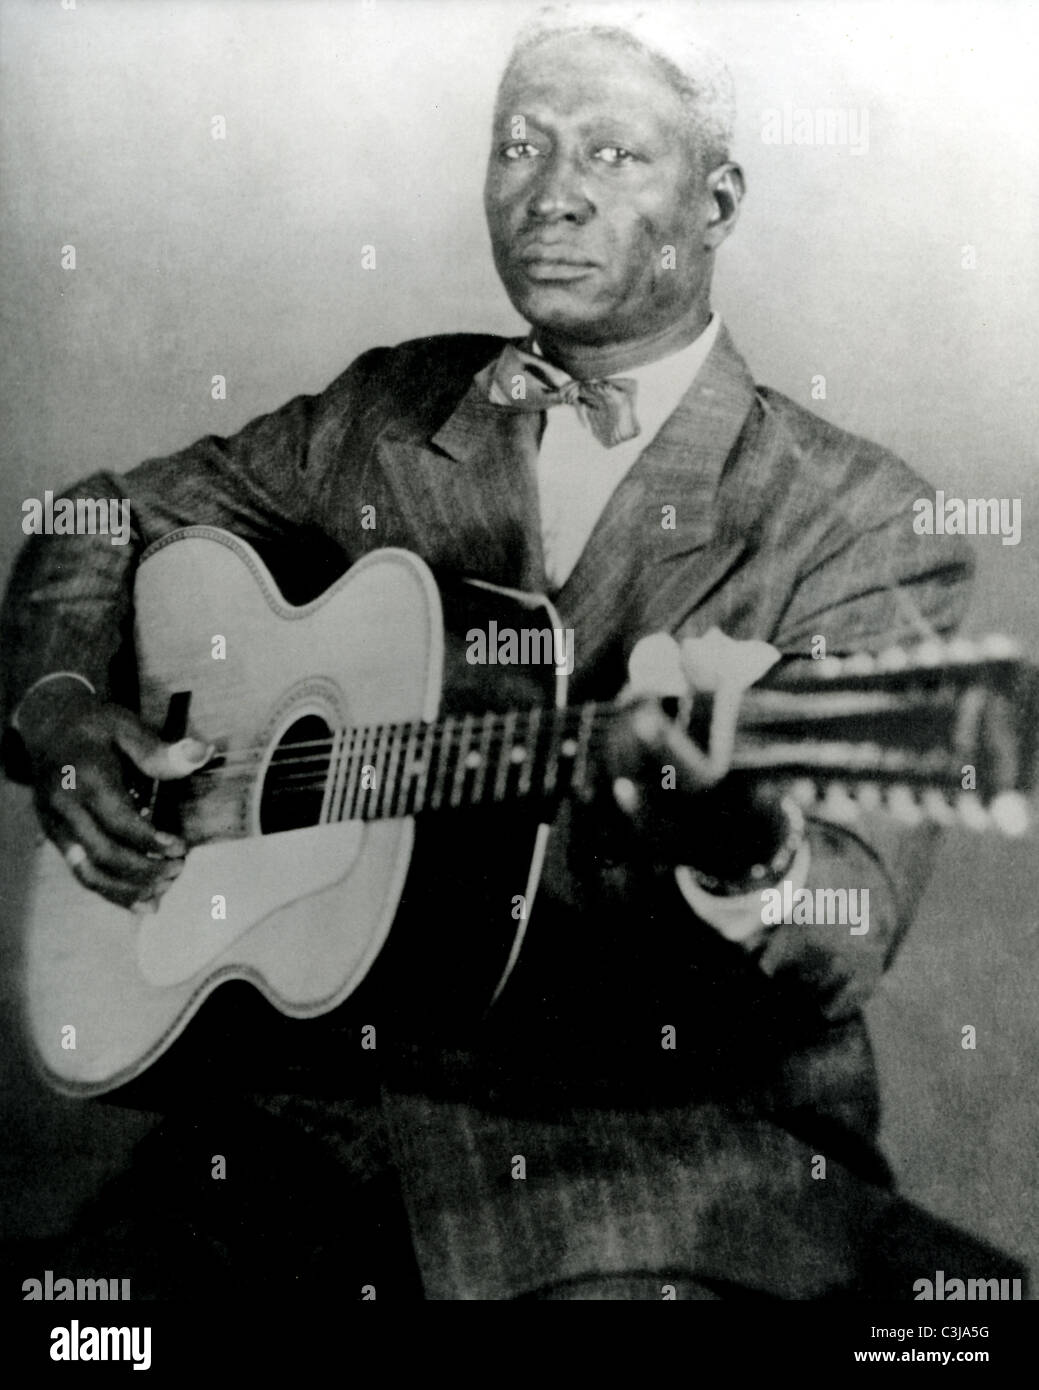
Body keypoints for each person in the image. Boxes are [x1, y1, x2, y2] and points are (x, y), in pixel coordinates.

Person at [0, 5, 1016, 1301]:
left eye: (611, 155)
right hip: (322, 1114)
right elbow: (103, 516)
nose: (551, 194)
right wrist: (65, 703)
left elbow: (845, 923)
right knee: (69, 1329)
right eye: (520, 146)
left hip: (662, 1154)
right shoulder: (392, 409)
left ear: (717, 200)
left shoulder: (863, 518)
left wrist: (744, 846)